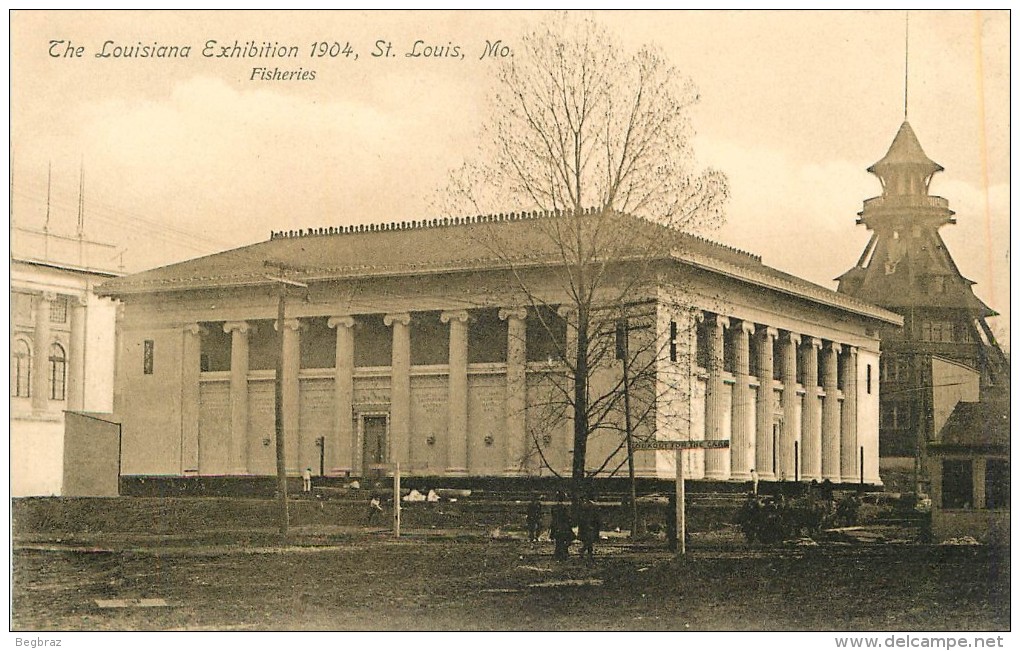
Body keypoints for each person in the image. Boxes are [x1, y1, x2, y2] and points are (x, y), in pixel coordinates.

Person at [550, 495, 573, 561]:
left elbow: (553, 517)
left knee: (558, 541)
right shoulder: (564, 508)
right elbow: (567, 517)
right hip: (563, 526)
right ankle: (563, 554)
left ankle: (558, 554)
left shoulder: (554, 507)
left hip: (556, 526)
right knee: (564, 540)